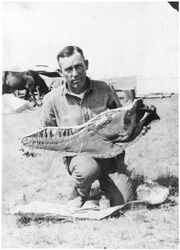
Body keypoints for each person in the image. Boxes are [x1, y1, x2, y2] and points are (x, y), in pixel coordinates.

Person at [41, 46, 135, 208]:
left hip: (108, 155)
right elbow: (47, 133)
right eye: (68, 69)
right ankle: (80, 192)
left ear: (86, 64)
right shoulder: (51, 99)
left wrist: (136, 126)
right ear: (60, 72)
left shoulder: (105, 89)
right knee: (87, 170)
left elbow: (121, 120)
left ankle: (107, 183)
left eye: (78, 66)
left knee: (123, 201)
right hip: (79, 157)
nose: (75, 73)